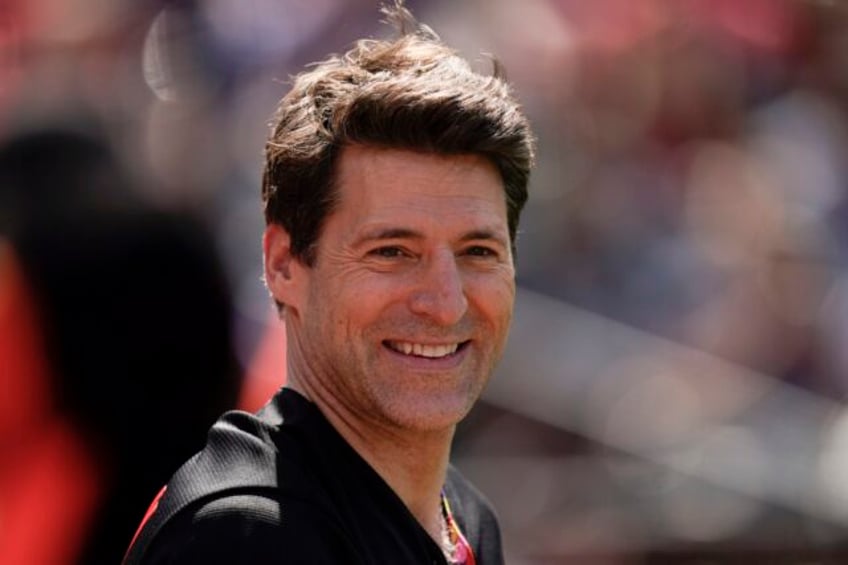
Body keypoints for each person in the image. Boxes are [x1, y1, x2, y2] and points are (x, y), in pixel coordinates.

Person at [123, 1, 535, 563]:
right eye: (392, 252)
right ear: (283, 265)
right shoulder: (246, 537)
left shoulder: (464, 516)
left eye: (478, 252)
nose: (445, 302)